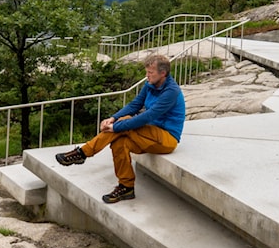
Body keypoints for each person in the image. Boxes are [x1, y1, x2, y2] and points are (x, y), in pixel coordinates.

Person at [55, 53, 185, 203]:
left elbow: (148, 116)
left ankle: (83, 153)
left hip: (166, 139)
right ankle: (126, 187)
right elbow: (135, 105)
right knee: (119, 143)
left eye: (150, 72)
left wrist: (116, 127)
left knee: (125, 124)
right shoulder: (149, 85)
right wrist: (113, 118)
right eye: (146, 72)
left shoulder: (171, 92)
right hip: (148, 134)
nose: (147, 75)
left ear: (163, 73)